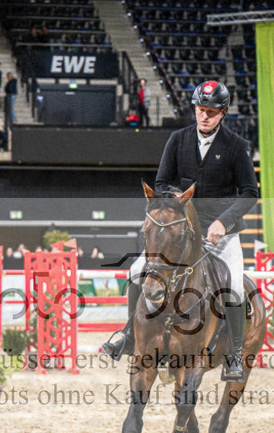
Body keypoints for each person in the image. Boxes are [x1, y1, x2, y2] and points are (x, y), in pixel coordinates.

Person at [102, 79, 258, 381]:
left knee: (234, 287)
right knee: (136, 270)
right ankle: (128, 336)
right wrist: (174, 203)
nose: (204, 116)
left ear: (222, 112)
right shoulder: (178, 139)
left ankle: (234, 354)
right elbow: (161, 183)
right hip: (180, 233)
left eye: (211, 111)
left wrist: (223, 222)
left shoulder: (237, 147)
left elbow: (249, 192)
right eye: (200, 109)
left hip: (220, 234)